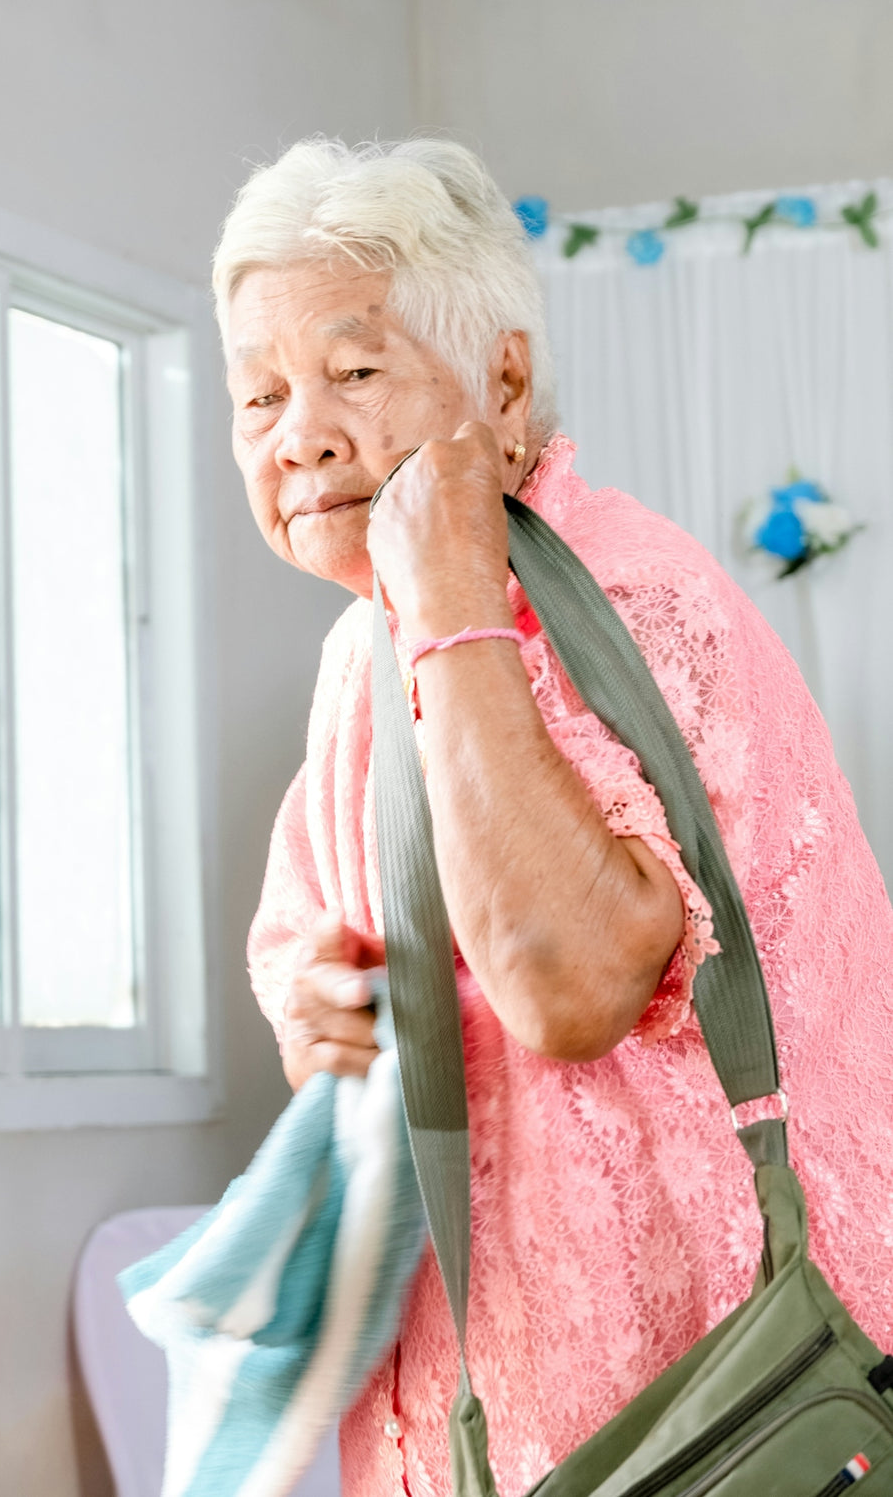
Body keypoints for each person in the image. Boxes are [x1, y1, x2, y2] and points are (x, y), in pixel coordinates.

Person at [213, 137, 893, 1495]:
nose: (301, 433)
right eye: (260, 395)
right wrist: (311, 1005)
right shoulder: (368, 647)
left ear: (503, 383)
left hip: (715, 1400)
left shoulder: (623, 601)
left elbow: (572, 981)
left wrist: (455, 587)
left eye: (354, 372)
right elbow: (316, 939)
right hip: (495, 1408)